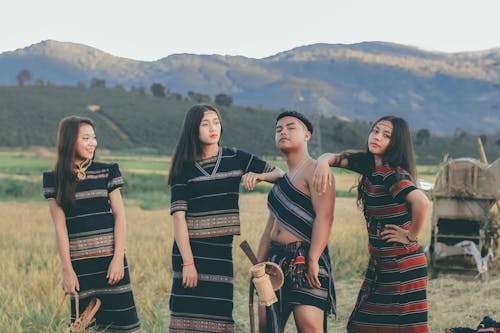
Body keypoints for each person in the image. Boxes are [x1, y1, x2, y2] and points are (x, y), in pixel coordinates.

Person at [167, 104, 283, 332]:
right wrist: (188, 263)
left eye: (216, 122)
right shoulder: (183, 167)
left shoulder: (236, 157)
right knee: (185, 317)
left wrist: (259, 176)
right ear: (193, 129)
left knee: (220, 316)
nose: (213, 128)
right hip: (191, 252)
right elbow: (179, 218)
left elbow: (279, 174)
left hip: (221, 251)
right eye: (205, 123)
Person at [313, 115, 430, 333]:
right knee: (363, 325)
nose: (377, 137)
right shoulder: (370, 167)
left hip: (402, 266)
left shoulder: (391, 174)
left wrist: (410, 236)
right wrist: (322, 162)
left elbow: (422, 202)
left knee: (378, 327)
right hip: (382, 265)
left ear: (396, 143)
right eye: (375, 131)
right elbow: (335, 158)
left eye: (386, 135)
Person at [42, 116, 142, 332]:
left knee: (129, 326)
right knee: (86, 326)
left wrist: (117, 259)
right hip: (80, 268)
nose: (92, 143)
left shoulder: (108, 171)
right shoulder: (54, 179)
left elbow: (120, 215)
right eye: (85, 138)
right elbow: (60, 228)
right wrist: (67, 270)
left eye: (94, 138)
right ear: (69, 141)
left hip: (111, 264)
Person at [256, 110, 336, 333]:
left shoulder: (316, 170)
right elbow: (268, 230)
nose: (283, 132)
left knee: (309, 327)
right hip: (273, 262)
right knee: (267, 328)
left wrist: (313, 259)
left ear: (307, 135)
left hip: (304, 258)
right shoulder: (282, 181)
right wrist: (258, 266)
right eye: (279, 129)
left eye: (291, 128)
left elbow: (325, 217)